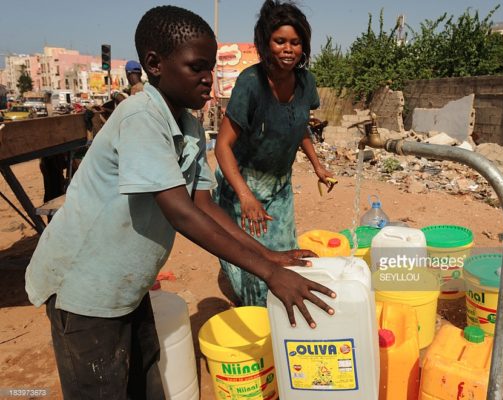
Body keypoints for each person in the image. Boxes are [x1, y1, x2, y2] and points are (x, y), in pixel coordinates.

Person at [25, 6, 335, 399]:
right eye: (197, 68)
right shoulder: (140, 117)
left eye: (211, 68)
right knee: (103, 387)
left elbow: (204, 206)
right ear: (155, 64)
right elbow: (180, 211)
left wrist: (270, 256)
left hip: (126, 289)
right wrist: (270, 274)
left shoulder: (188, 126)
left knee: (145, 382)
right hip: (84, 292)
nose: (209, 79)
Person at [214, 0, 334, 306]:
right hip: (243, 183)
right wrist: (245, 195)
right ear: (266, 43)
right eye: (280, 41)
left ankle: (278, 316)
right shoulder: (251, 84)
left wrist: (318, 166)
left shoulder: (306, 83)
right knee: (253, 259)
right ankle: (258, 320)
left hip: (280, 185)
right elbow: (222, 145)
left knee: (284, 253)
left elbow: (298, 127)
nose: (288, 49)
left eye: (295, 42)